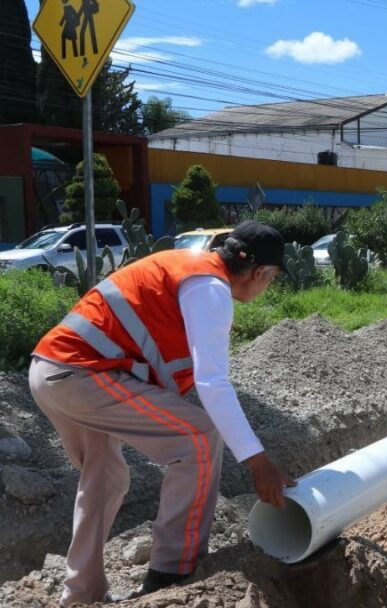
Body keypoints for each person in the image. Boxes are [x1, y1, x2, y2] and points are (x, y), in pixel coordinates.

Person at [29, 221, 296, 606]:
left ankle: (82, 595)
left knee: (105, 476)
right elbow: (213, 383)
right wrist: (258, 462)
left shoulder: (184, 267)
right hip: (83, 375)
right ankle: (173, 570)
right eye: (270, 279)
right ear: (260, 273)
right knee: (198, 438)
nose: (267, 285)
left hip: (50, 371)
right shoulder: (209, 288)